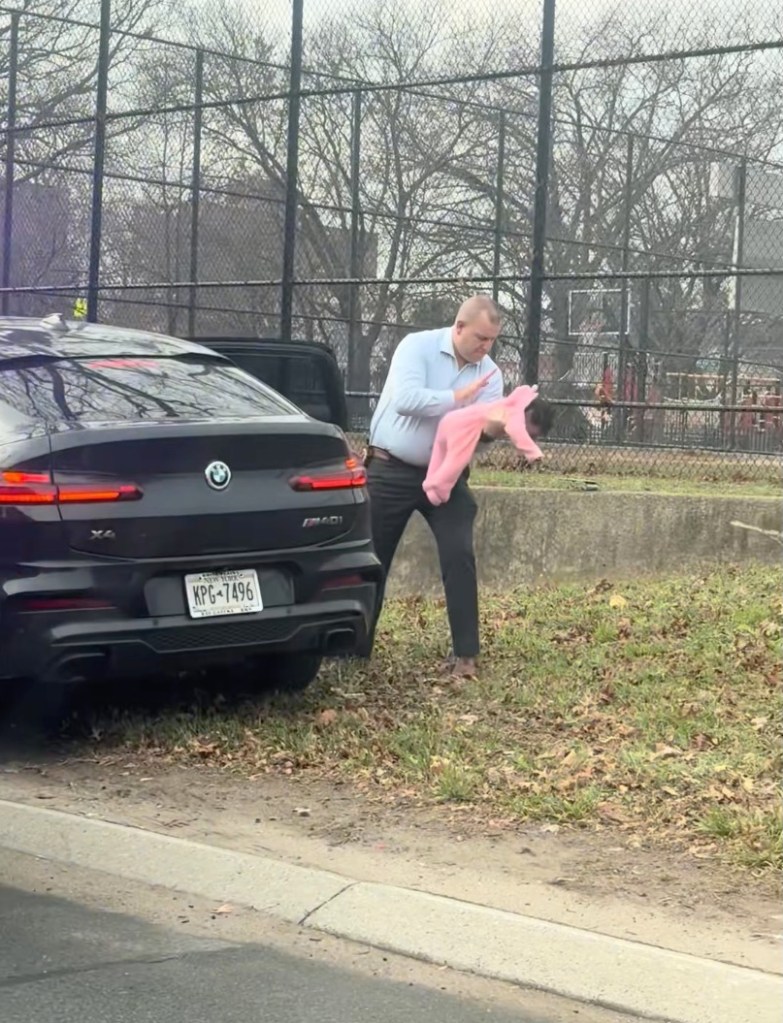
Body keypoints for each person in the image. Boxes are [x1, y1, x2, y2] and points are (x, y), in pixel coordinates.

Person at [362, 295, 553, 678]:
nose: (486, 347)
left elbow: (475, 436)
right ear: (459, 327)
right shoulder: (416, 347)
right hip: (391, 468)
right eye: (480, 338)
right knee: (372, 560)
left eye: (492, 340)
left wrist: (492, 431)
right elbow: (405, 401)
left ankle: (466, 656)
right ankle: (354, 649)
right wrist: (456, 398)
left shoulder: (491, 375)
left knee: (459, 553)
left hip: (447, 474)